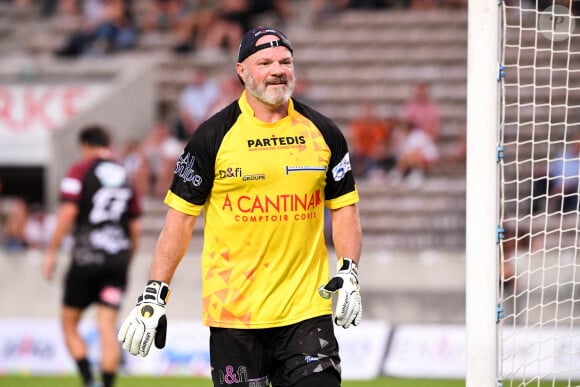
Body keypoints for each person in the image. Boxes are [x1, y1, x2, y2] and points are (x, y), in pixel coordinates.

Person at [117, 26, 363, 387]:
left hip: (306, 312)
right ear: (242, 72)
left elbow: (344, 209)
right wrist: (155, 293)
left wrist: (350, 271)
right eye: (265, 62)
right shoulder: (211, 136)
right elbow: (179, 223)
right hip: (234, 317)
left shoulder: (323, 132)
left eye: (285, 61)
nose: (278, 69)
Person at [43, 125, 142, 387]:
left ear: (85, 145)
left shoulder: (80, 170)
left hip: (87, 258)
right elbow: (135, 229)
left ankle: (89, 381)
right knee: (107, 325)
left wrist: (51, 251)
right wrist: (126, 260)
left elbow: (67, 214)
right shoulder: (125, 175)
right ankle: (108, 384)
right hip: (117, 260)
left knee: (69, 323)